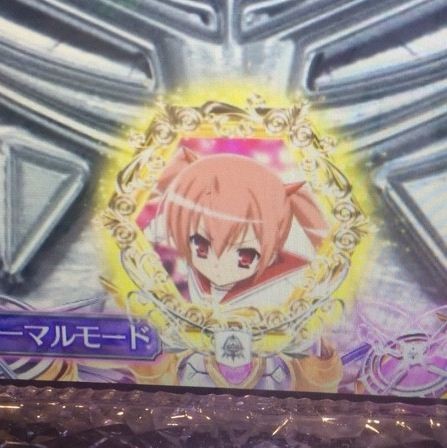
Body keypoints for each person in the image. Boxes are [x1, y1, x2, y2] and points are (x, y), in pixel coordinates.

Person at [142, 146, 342, 391]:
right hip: (196, 374)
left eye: (244, 256)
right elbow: (144, 229)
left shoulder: (290, 279)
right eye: (201, 245)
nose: (218, 265)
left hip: (271, 377)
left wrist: (319, 362)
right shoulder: (186, 262)